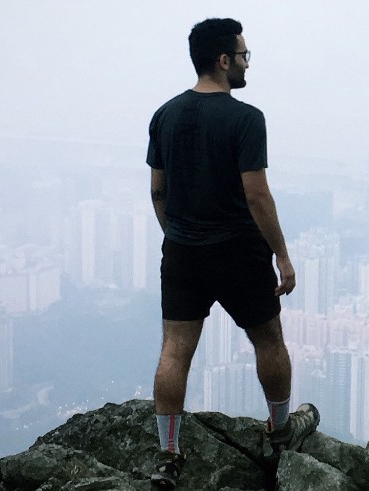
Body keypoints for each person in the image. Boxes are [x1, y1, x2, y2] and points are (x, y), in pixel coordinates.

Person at [145, 17, 319, 490]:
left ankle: (167, 455)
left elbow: (158, 190)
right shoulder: (246, 118)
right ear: (224, 60)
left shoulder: (165, 115)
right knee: (269, 341)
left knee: (175, 350)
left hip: (182, 250)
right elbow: (257, 195)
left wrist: (177, 234)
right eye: (243, 56)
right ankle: (281, 432)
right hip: (239, 253)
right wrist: (282, 255)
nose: (246, 64)